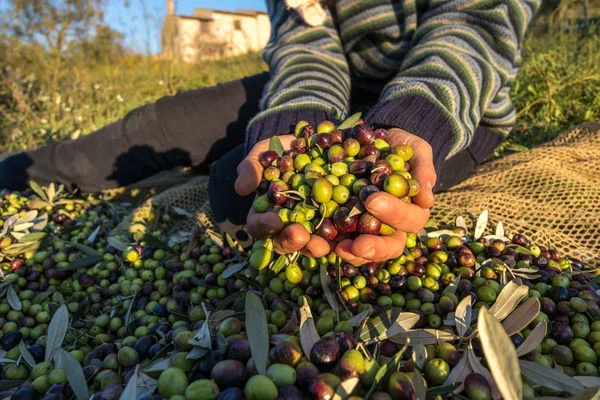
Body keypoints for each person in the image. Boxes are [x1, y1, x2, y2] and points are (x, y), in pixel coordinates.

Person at [0, 0, 541, 264]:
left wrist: (413, 121)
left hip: (444, 97)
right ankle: (15, 171)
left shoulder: (436, 98)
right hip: (343, 87)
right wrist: (290, 122)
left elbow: (476, 26)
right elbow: (307, 44)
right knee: (156, 127)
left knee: (229, 191)